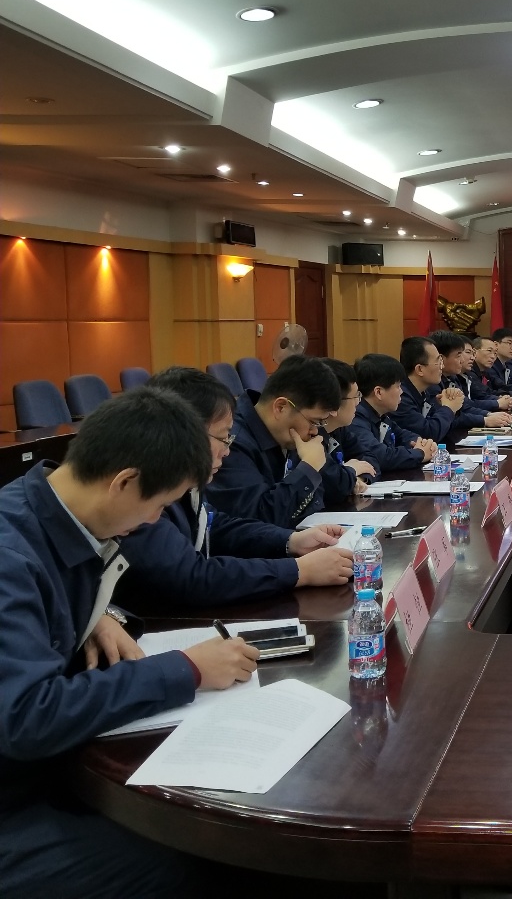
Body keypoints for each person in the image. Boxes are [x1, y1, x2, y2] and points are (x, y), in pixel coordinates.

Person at [0, 389, 258, 897]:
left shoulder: (43, 508)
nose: (156, 521)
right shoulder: (11, 557)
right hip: (15, 799)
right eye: (159, 505)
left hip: (39, 772)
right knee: (189, 854)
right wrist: (187, 670)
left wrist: (99, 615)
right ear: (123, 481)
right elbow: (26, 717)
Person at [114, 367, 354, 609]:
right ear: (182, 434)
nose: (227, 451)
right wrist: (298, 571)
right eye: (223, 438)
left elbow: (214, 526)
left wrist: (290, 541)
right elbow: (190, 576)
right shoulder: (139, 491)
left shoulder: (177, 483)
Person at [206, 354, 341, 528]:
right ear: (281, 407)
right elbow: (258, 520)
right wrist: (308, 468)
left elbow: (314, 503)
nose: (315, 431)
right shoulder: (232, 443)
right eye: (314, 422)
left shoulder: (287, 433)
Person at [351, 353, 438, 475]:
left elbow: (401, 434)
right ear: (379, 392)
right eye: (398, 386)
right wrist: (420, 453)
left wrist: (422, 443)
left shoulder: (380, 415)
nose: (401, 392)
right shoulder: (356, 419)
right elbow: (381, 456)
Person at [316, 358, 377, 499]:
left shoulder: (339, 428)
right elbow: (331, 482)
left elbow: (371, 459)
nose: (358, 402)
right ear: (334, 404)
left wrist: (358, 479)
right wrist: (351, 470)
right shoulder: (310, 434)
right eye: (355, 396)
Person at [433, 330, 512, 429]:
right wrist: (485, 419)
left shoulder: (453, 378)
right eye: (459, 355)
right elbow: (437, 423)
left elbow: (466, 406)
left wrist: (488, 414)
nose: (463, 359)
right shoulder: (432, 384)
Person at [393, 335, 466, 443]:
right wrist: (448, 408)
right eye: (438, 362)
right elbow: (429, 434)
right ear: (420, 369)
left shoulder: (424, 392)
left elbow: (444, 428)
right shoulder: (401, 397)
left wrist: (447, 405)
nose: (442, 366)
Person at [474, 335, 512, 401]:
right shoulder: (472, 373)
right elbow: (482, 396)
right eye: (489, 351)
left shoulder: (486, 371)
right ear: (474, 352)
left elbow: (493, 391)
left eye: (495, 353)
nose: (493, 356)